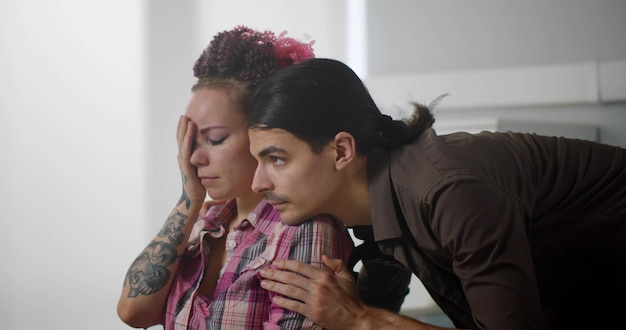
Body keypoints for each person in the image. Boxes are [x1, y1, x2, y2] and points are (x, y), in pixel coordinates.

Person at [246, 58, 626, 330]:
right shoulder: (374, 207)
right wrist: (355, 306)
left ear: (341, 151)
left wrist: (360, 318)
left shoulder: (448, 193)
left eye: (276, 159)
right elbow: (380, 304)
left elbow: (370, 317)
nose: (257, 183)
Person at [116, 28, 354, 329]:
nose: (194, 158)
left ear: (262, 133)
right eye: (190, 142)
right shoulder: (206, 221)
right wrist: (189, 201)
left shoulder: (303, 229)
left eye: (215, 139)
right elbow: (133, 312)